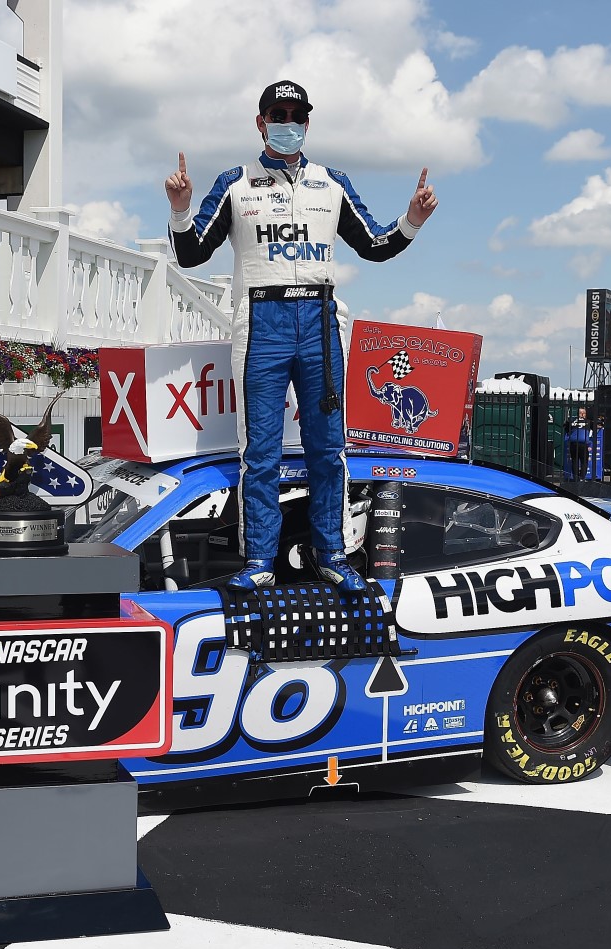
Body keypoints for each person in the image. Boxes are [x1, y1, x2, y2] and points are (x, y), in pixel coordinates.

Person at [165, 80, 438, 592]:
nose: (288, 121)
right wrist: (180, 208)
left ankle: (332, 555)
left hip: (319, 322)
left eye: (297, 114)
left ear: (307, 123)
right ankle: (259, 563)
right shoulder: (234, 183)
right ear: (261, 121)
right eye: (278, 113)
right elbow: (192, 253)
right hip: (260, 322)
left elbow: (375, 244)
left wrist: (413, 221)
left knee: (327, 449)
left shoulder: (331, 182)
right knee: (260, 453)